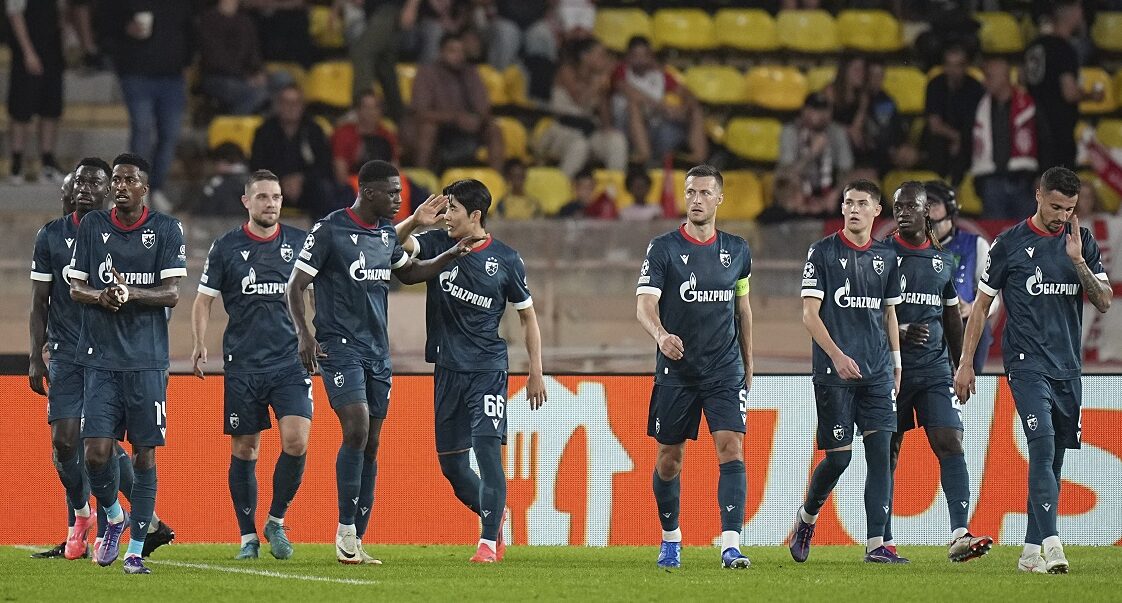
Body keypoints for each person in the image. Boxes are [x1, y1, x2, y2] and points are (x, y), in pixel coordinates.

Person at [285, 160, 482, 564]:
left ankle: (357, 538)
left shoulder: (382, 237)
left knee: (371, 445)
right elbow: (296, 286)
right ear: (369, 192)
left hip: (378, 351)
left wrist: (451, 253)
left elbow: (410, 274)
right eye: (392, 193)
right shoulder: (330, 229)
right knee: (355, 428)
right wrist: (305, 335)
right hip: (338, 346)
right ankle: (342, 530)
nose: (398, 198)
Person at [955, 167, 1112, 574]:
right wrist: (966, 365)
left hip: (1067, 368)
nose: (1061, 216)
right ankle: (1053, 543)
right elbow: (980, 309)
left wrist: (1077, 262)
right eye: (1055, 206)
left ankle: (1029, 552)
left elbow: (1104, 301)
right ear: (1038, 194)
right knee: (1041, 446)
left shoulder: (1082, 242)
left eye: (1069, 209)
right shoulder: (1009, 244)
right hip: (1025, 365)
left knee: (1054, 459)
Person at [394, 179, 546, 562]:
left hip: (487, 369)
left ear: (475, 215)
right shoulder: (436, 244)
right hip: (447, 368)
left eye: (453, 210)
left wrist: (535, 371)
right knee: (453, 467)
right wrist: (415, 221)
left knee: (487, 449)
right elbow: (390, 247)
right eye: (445, 210)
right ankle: (495, 514)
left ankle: (488, 543)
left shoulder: (507, 260)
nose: (446, 218)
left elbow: (527, 317)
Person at [68, 153, 187, 575]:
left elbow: (171, 292)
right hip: (99, 359)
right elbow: (77, 286)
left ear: (144, 187)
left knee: (144, 455)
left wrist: (130, 295)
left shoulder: (167, 229)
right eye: (116, 179)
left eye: (128, 180)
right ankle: (114, 518)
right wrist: (102, 296)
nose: (119, 186)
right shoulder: (93, 226)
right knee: (96, 454)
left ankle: (136, 548)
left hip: (147, 362)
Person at [634, 165, 754, 569]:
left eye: (705, 193)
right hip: (677, 370)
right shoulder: (663, 248)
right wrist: (661, 335)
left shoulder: (737, 250)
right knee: (669, 459)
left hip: (724, 368)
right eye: (691, 192)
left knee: (732, 448)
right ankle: (671, 539)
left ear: (720, 198)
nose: (697, 199)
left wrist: (748, 363)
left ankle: (731, 544)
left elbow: (743, 309)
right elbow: (644, 305)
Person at [192, 170, 312, 561]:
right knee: (246, 450)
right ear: (246, 201)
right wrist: (198, 343)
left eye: (276, 196)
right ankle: (247, 537)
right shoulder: (226, 247)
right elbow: (203, 299)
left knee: (297, 440)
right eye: (262, 196)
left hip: (290, 361)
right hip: (243, 364)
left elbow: (321, 292)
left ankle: (276, 520)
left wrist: (318, 334)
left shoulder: (299, 242)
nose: (271, 203)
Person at [789, 179, 905, 564]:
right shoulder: (821, 252)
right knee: (839, 458)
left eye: (862, 203)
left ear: (876, 212)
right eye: (848, 203)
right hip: (833, 372)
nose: (853, 209)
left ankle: (876, 545)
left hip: (876, 372)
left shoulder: (887, 257)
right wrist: (837, 356)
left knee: (880, 454)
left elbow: (889, 313)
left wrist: (896, 362)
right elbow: (809, 314)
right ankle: (807, 518)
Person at [883, 182, 993, 562]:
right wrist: (900, 331)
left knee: (950, 442)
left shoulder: (943, 260)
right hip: (889, 371)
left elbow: (951, 315)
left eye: (910, 206)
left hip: (933, 370)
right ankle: (880, 540)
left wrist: (963, 365)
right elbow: (862, 313)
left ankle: (960, 532)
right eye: (897, 207)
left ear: (926, 211)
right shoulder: (881, 256)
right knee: (887, 452)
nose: (902, 213)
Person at [102, 3, 194, 207]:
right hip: (135, 73)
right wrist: (125, 29)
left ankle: (156, 187)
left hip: (172, 76)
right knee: (142, 130)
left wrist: (186, 63)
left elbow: (190, 29)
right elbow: (105, 23)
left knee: (170, 134)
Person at [925, 181, 998, 374]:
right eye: (922, 204)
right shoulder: (910, 247)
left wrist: (972, 308)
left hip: (963, 328)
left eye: (932, 204)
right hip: (923, 328)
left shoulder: (975, 245)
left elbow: (994, 300)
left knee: (977, 326)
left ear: (949, 207)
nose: (926, 210)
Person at [407, 32, 504, 172]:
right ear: (441, 52)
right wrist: (455, 118)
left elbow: (484, 107)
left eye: (462, 51)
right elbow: (421, 112)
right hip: (441, 127)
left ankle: (497, 180)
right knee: (428, 128)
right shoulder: (427, 73)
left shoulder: (471, 72)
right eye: (453, 51)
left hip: (469, 127)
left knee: (494, 129)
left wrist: (478, 119)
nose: (459, 56)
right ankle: (423, 179)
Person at [1025, 0, 1103, 171]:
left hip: (1033, 133)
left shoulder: (1034, 46)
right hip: (1058, 135)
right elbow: (1070, 93)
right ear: (1074, 13)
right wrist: (1092, 95)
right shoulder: (1063, 48)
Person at [535, 38, 627, 178]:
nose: (605, 60)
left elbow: (606, 123)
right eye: (600, 55)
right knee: (579, 145)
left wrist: (604, 92)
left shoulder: (599, 79)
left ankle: (613, 188)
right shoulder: (566, 71)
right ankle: (563, 188)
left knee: (616, 141)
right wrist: (599, 82)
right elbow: (580, 100)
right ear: (585, 56)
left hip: (588, 130)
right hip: (562, 129)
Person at [610, 36, 706, 167]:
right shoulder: (621, 71)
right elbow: (630, 92)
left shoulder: (660, 75)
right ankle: (644, 155)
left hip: (655, 127)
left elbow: (688, 94)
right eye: (635, 55)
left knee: (695, 110)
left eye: (644, 55)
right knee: (634, 105)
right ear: (628, 57)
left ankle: (697, 158)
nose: (640, 60)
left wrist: (682, 109)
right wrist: (662, 107)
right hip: (626, 127)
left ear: (650, 56)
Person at [6, 0, 66, 184]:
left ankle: (48, 162)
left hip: (52, 49)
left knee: (51, 107)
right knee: (21, 109)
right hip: (27, 50)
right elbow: (14, 14)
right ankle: (17, 163)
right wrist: (28, 52)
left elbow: (61, 13)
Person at [251, 85, 334, 218]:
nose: (291, 107)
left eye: (295, 103)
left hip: (307, 187)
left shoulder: (314, 130)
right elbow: (257, 165)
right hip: (272, 185)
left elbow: (324, 165)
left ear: (302, 106)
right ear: (278, 105)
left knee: (324, 189)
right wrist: (280, 181)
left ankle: (321, 234)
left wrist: (301, 179)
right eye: (286, 102)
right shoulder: (264, 131)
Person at [971, 57, 1038, 220]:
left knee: (1027, 240)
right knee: (996, 240)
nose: (985, 82)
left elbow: (1044, 139)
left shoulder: (1028, 105)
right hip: (992, 182)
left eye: (989, 76)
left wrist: (1041, 175)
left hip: (1024, 181)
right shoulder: (979, 106)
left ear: (1004, 78)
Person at [777, 92, 854, 218]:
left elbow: (846, 171)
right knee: (788, 187)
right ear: (805, 112)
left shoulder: (836, 132)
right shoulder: (790, 132)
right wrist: (811, 153)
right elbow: (786, 175)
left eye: (825, 110)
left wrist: (835, 194)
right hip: (800, 191)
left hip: (829, 190)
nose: (821, 115)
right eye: (816, 110)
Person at [922, 44, 985, 185]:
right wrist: (955, 137)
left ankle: (956, 188)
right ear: (944, 66)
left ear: (966, 66)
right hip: (941, 141)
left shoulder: (975, 88)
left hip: (967, 141)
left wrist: (960, 139)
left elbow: (977, 123)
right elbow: (935, 125)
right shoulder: (935, 85)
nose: (954, 70)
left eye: (958, 65)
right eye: (950, 65)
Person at [199, 0, 272, 115]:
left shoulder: (246, 21)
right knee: (257, 94)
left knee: (282, 81)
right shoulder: (208, 20)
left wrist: (259, 72)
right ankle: (232, 126)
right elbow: (214, 59)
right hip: (217, 77)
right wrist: (245, 77)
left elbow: (254, 53)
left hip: (245, 75)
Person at [331, 91, 400, 191]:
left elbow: (395, 170)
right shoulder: (343, 134)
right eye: (366, 107)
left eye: (375, 107)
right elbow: (341, 177)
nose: (371, 112)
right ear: (357, 110)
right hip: (353, 188)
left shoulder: (387, 135)